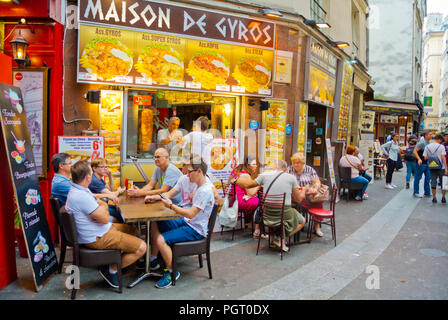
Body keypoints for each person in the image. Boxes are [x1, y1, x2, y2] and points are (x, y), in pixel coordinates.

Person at [65, 160, 146, 289]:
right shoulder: (82, 196)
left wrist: (101, 204)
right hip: (97, 237)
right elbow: (104, 217)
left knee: (132, 230)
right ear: (88, 177)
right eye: (91, 173)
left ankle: (116, 260)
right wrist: (103, 205)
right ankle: (111, 269)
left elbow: (99, 202)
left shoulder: (78, 189)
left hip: (97, 230)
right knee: (142, 247)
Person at [150, 155, 215, 289]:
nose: (186, 174)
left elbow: (191, 213)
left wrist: (171, 206)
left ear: (199, 172)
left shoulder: (205, 190)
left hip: (196, 230)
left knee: (161, 240)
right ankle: (157, 258)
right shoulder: (198, 185)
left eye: (189, 171)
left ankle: (171, 272)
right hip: (188, 222)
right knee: (158, 221)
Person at [232, 159, 311, 252]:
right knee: (302, 221)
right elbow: (298, 199)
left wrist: (235, 180)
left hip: (267, 214)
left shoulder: (264, 175)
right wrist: (305, 190)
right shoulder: (291, 178)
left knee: (280, 213)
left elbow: (248, 184)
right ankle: (280, 238)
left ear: (275, 167)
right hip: (283, 214)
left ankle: (276, 236)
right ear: (285, 169)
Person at [287, 152, 325, 237]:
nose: (295, 165)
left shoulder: (309, 170)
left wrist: (315, 188)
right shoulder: (289, 169)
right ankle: (293, 224)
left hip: (308, 195)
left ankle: (317, 227)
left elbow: (317, 182)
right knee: (287, 203)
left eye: (298, 163)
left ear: (303, 163)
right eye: (294, 163)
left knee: (317, 203)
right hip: (293, 195)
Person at [229, 156, 266, 239]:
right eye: (254, 164)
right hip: (240, 201)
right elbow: (251, 194)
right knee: (260, 202)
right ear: (248, 165)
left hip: (233, 199)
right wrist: (259, 185)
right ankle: (257, 230)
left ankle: (250, 224)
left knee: (256, 200)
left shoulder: (236, 172)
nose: (256, 166)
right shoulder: (245, 175)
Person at [88, 158, 126, 223]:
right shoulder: (95, 180)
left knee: (118, 210)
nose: (105, 169)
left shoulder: (99, 178)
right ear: (94, 168)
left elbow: (111, 189)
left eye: (106, 167)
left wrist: (110, 176)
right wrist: (119, 191)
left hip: (101, 205)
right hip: (96, 209)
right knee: (120, 214)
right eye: (102, 167)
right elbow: (112, 194)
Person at [423, 134, 447, 203]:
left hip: (432, 167)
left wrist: (431, 156)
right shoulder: (441, 146)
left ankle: (434, 198)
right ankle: (443, 198)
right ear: (439, 139)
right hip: (441, 167)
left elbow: (425, 158)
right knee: (443, 182)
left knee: (433, 182)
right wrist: (446, 168)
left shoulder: (427, 146)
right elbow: (443, 157)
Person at [413, 131, 433, 198]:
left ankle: (427, 192)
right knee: (418, 178)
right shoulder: (421, 143)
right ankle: (416, 192)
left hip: (428, 163)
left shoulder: (430, 143)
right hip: (421, 163)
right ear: (426, 135)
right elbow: (415, 151)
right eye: (430, 134)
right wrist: (419, 159)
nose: (431, 135)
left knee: (428, 178)